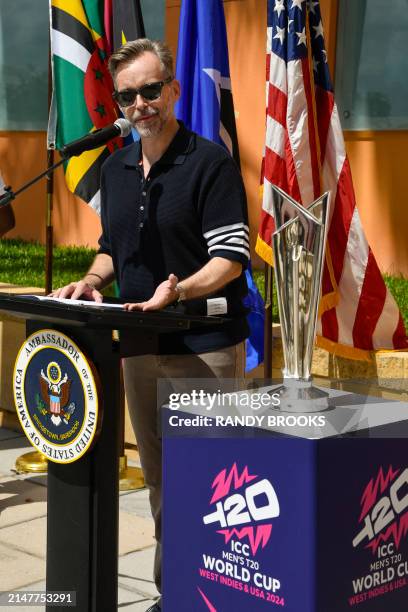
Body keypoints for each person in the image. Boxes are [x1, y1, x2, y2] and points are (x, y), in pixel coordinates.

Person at [52, 39, 250, 612]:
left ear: (174, 90)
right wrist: (92, 280)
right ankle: (176, 591)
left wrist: (179, 290)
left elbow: (231, 254)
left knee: (211, 482)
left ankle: (215, 592)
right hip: (138, 344)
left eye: (150, 90)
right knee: (161, 479)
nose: (140, 103)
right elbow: (112, 248)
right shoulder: (114, 168)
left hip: (203, 345)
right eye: (127, 95)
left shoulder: (208, 161)